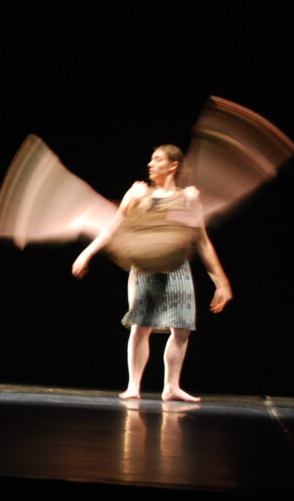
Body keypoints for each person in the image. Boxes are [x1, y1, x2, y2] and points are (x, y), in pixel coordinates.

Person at [72, 144, 231, 402]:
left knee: (181, 328)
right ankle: (133, 386)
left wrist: (221, 282)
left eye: (157, 159)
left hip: (177, 268)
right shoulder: (138, 194)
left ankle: (171, 387)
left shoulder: (188, 198)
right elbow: (112, 228)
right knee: (140, 325)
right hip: (146, 268)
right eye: (151, 159)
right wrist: (86, 253)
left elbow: (202, 242)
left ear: (173, 165)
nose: (150, 164)